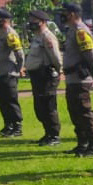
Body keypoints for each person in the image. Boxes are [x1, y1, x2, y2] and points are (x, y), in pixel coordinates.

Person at [61, 2, 93, 157]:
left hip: (81, 77)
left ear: (72, 14)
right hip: (72, 78)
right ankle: (82, 143)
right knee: (74, 111)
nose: (62, 15)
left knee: (84, 111)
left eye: (65, 12)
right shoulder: (71, 30)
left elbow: (89, 54)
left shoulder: (81, 31)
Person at [25, 10, 63, 146]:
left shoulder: (47, 37)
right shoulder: (37, 36)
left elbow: (55, 57)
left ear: (42, 22)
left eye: (34, 21)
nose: (31, 23)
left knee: (48, 106)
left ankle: (54, 136)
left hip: (46, 75)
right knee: (40, 107)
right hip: (37, 76)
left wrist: (60, 70)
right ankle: (47, 133)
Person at [0, 8, 25, 137]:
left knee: (10, 100)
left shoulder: (10, 34)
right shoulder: (2, 33)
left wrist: (19, 68)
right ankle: (8, 125)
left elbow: (19, 53)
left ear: (4, 20)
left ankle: (17, 127)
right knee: (2, 100)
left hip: (8, 73)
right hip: (0, 73)